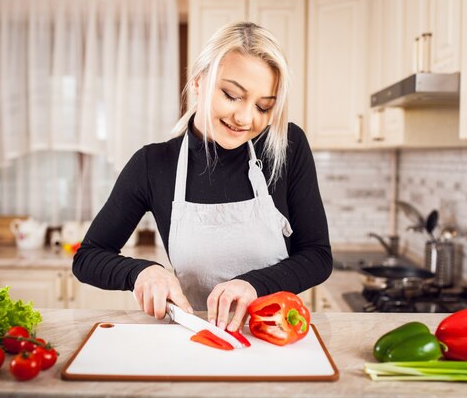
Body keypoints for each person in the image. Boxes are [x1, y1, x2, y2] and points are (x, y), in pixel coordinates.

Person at [73, 21, 332, 333]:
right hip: (196, 336)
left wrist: (253, 285)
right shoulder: (153, 164)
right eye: (231, 94)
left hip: (276, 336)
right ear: (197, 82)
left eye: (264, 106)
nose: (245, 117)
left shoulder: (286, 145)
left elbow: (317, 256)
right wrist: (141, 273)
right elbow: (87, 257)